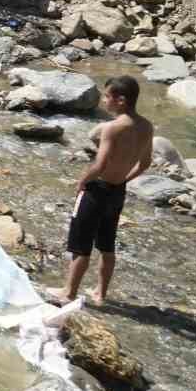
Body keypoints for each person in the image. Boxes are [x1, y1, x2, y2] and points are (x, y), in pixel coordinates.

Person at [47, 75, 154, 307]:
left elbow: (100, 164)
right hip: (118, 191)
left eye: (107, 96)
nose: (104, 101)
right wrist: (125, 178)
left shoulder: (113, 128)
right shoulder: (146, 126)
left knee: (80, 242)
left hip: (97, 189)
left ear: (121, 100)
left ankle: (69, 292)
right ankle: (100, 294)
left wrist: (82, 180)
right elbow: (145, 163)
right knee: (107, 243)